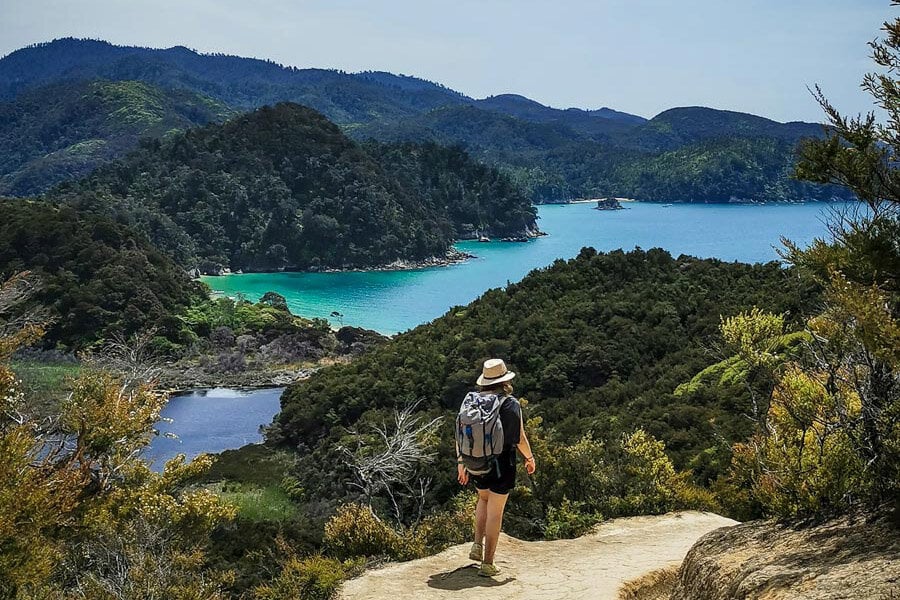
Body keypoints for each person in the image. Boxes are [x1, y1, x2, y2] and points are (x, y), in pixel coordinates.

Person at [456, 358, 536, 577]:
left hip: (476, 461)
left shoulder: (472, 400)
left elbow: (460, 432)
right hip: (502, 463)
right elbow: (519, 437)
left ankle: (476, 545)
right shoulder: (510, 404)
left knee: (483, 499)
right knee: (495, 512)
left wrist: (461, 461)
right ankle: (488, 563)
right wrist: (529, 458)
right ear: (505, 381)